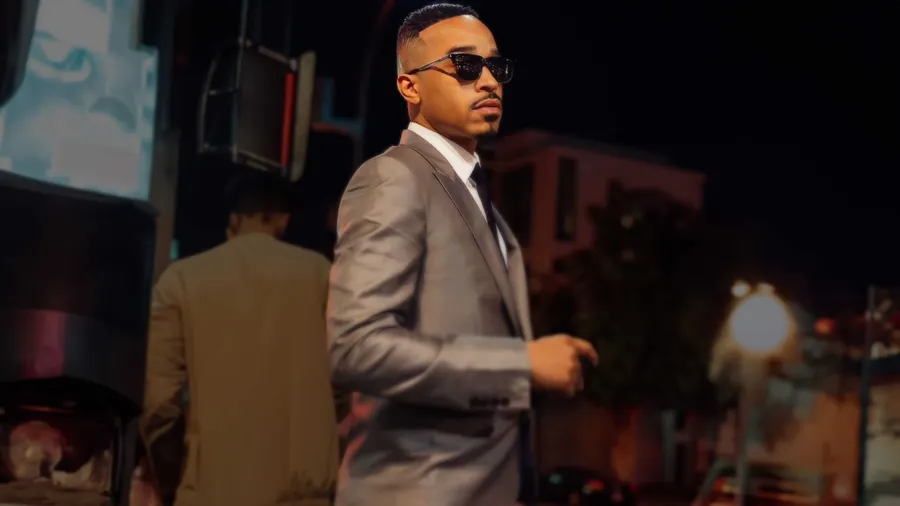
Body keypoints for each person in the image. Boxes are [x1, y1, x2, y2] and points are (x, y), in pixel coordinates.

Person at [327, 4, 598, 506]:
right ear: (409, 87)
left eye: (496, 66)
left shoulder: (479, 201)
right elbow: (356, 348)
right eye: (466, 65)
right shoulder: (394, 179)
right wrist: (522, 364)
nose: (489, 81)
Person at [141, 170, 339, 506]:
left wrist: (171, 479)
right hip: (303, 493)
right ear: (282, 220)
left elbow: (158, 402)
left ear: (233, 218)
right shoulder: (323, 276)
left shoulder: (181, 280)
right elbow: (345, 381)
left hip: (211, 490)